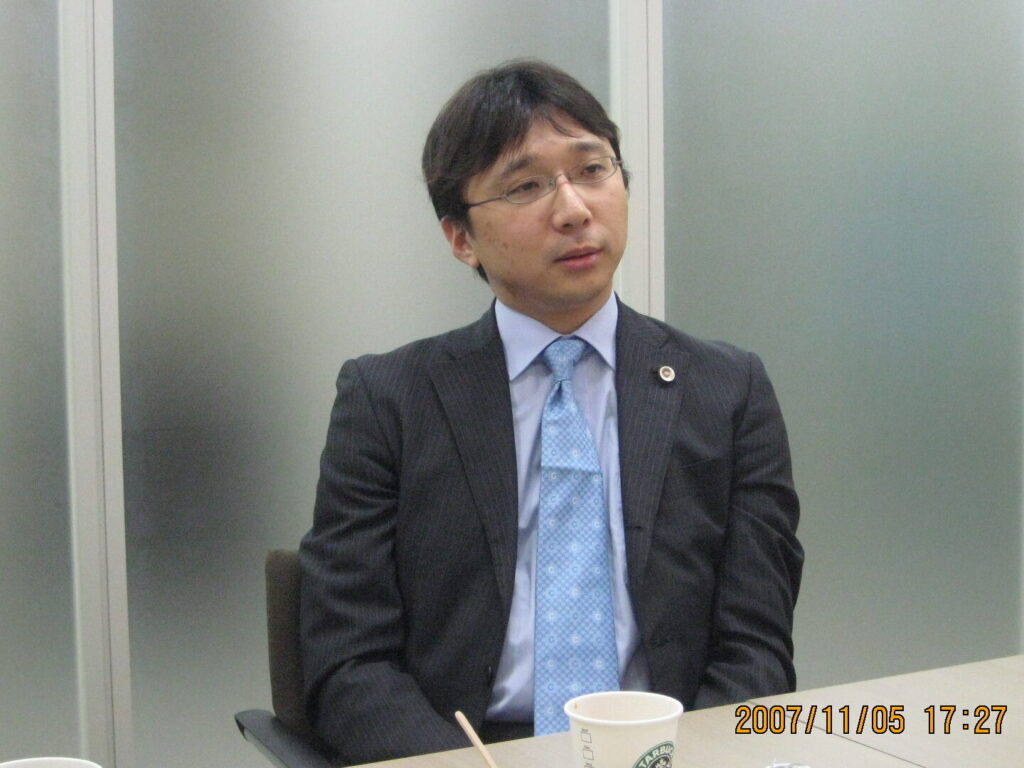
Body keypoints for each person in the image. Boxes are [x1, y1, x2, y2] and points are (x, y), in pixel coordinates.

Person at [299, 59, 802, 765]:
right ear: (460, 238)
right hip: (472, 753)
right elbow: (349, 663)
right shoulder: (388, 401)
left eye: (592, 170)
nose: (573, 210)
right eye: (525, 186)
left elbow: (757, 648)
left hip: (665, 749)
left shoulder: (726, 390)